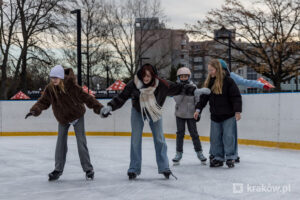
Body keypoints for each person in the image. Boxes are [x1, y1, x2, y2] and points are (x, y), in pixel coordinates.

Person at [101, 63, 210, 179]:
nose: (146, 78)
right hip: (138, 110)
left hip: (155, 111)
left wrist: (195, 91)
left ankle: (164, 167)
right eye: (144, 76)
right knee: (135, 139)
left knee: (159, 139)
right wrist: (110, 106)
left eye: (148, 76)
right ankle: (134, 168)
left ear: (153, 76)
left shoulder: (162, 84)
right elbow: (122, 97)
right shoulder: (134, 84)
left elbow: (180, 88)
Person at [25, 65, 105, 181]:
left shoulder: (73, 87)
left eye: (56, 78)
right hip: (62, 117)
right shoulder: (50, 89)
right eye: (52, 78)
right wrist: (34, 110)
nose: (53, 80)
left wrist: (100, 109)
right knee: (60, 143)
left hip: (77, 115)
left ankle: (88, 169)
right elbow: (43, 102)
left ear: (61, 77)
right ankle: (58, 170)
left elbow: (87, 98)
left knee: (81, 142)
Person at [195, 59, 242, 168]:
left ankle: (230, 157)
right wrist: (198, 110)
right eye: (209, 70)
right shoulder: (209, 82)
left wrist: (237, 111)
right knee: (215, 138)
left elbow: (236, 97)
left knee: (228, 137)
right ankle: (218, 158)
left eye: (212, 70)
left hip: (228, 116)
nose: (210, 72)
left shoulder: (229, 81)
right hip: (215, 116)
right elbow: (203, 98)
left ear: (218, 69)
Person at [172, 67, 207, 165]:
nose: (184, 78)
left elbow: (197, 100)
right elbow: (177, 100)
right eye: (182, 76)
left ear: (189, 76)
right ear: (179, 77)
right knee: (180, 134)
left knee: (194, 134)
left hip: (191, 115)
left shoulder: (194, 86)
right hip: (180, 114)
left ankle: (199, 153)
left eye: (185, 76)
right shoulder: (176, 87)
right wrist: (183, 91)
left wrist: (197, 111)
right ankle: (178, 154)